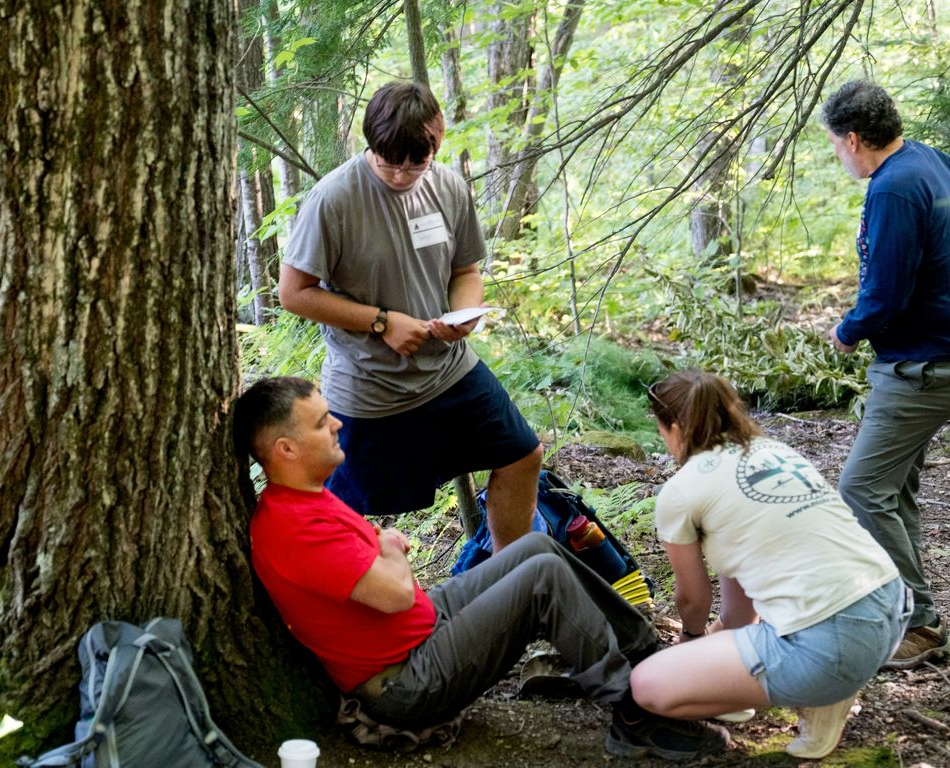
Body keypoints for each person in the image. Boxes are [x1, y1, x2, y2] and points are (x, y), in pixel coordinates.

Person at [232, 377, 731, 761]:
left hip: (425, 629)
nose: (338, 423)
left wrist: (386, 552)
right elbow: (393, 596)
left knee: (537, 547)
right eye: (321, 422)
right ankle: (634, 712)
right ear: (286, 450)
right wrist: (388, 545)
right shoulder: (293, 525)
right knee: (543, 581)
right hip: (406, 681)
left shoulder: (305, 497)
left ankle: (646, 658)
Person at [278, 80, 541, 551]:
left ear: (437, 136)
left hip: (449, 370)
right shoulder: (333, 199)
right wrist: (382, 322)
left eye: (414, 162)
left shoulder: (449, 187)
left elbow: (466, 269)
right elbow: (294, 294)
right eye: (388, 161)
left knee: (523, 454)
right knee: (339, 513)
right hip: (368, 389)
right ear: (371, 144)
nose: (400, 174)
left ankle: (511, 584)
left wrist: (465, 315)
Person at [628, 370, 910, 760]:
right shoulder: (773, 452)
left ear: (674, 427)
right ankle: (771, 689)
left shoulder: (683, 490)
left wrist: (691, 639)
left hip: (831, 645)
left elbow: (692, 598)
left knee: (646, 687)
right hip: (892, 612)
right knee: (723, 641)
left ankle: (822, 693)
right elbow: (737, 602)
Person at [821, 80, 950, 669]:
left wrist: (848, 330)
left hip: (922, 368)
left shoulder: (893, 189)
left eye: (834, 146)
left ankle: (919, 624)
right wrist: (946, 246)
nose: (836, 156)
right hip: (938, 356)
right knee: (892, 491)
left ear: (852, 139)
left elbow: (886, 295)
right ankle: (904, 614)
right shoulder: (920, 156)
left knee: (860, 490)